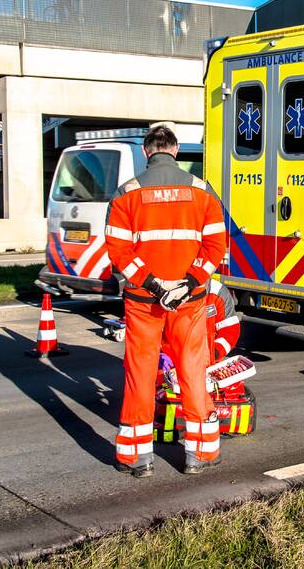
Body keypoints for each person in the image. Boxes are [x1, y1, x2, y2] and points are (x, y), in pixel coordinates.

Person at [104, 125, 227, 477]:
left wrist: (155, 285)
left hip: (144, 300)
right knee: (192, 368)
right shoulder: (202, 192)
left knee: (141, 372)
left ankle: (136, 458)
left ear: (146, 152)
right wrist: (187, 283)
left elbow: (119, 250)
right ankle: (199, 454)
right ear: (174, 151)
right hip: (188, 301)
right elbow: (215, 246)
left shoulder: (126, 194)